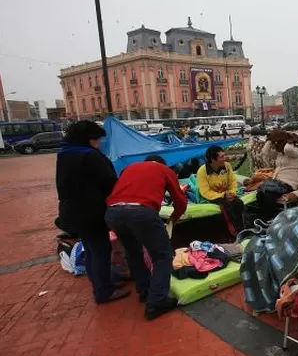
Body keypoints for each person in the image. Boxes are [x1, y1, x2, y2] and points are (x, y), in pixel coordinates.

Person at [105, 155, 187, 320]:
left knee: (133, 252)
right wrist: (174, 217)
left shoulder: (129, 168)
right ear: (163, 163)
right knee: (162, 256)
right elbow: (180, 200)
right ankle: (156, 302)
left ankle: (144, 290)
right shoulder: (164, 170)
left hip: (113, 213)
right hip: (141, 213)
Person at [56, 120, 129, 304]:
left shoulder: (65, 153)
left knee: (90, 249)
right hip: (91, 212)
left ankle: (100, 283)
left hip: (72, 211)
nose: (99, 143)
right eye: (97, 139)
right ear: (88, 139)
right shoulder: (90, 156)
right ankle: (104, 291)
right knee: (101, 250)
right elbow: (110, 183)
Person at [253, 130, 298, 220]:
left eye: (278, 142)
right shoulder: (280, 154)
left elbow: (288, 149)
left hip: (289, 184)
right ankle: (265, 219)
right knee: (260, 194)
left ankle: (274, 220)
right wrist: (269, 139)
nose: (276, 145)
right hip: (277, 183)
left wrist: (289, 139)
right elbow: (264, 153)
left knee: (268, 196)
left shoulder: (295, 151)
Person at [197, 145, 245, 235]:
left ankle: (243, 227)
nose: (225, 158)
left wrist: (232, 193)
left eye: (224, 155)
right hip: (212, 195)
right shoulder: (202, 171)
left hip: (227, 193)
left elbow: (233, 181)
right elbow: (205, 191)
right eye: (221, 157)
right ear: (213, 159)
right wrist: (223, 195)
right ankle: (235, 231)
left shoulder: (227, 166)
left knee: (239, 203)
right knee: (227, 205)